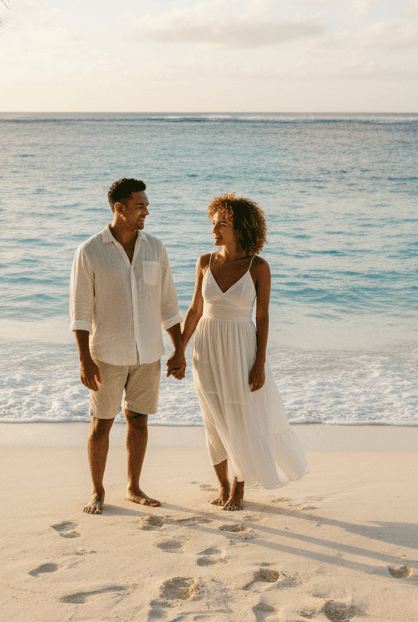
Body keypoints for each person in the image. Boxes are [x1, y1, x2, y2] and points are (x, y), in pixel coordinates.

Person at [174, 193, 307, 509]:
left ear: (242, 228)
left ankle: (238, 488)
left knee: (239, 417)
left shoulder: (258, 267)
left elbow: (262, 317)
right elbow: (194, 309)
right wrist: (179, 349)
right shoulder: (205, 261)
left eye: (222, 224)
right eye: (213, 224)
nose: (214, 230)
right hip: (205, 347)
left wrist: (259, 362)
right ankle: (221, 485)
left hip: (241, 348)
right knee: (213, 416)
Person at [70, 178, 185, 514]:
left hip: (149, 353)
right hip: (107, 353)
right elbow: (79, 313)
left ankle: (133, 488)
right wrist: (84, 360)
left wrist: (178, 349)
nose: (146, 211)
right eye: (140, 206)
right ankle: (97, 491)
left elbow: (169, 306)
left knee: (139, 420)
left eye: (146, 205)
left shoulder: (155, 248)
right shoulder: (90, 251)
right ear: (119, 208)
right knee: (102, 422)